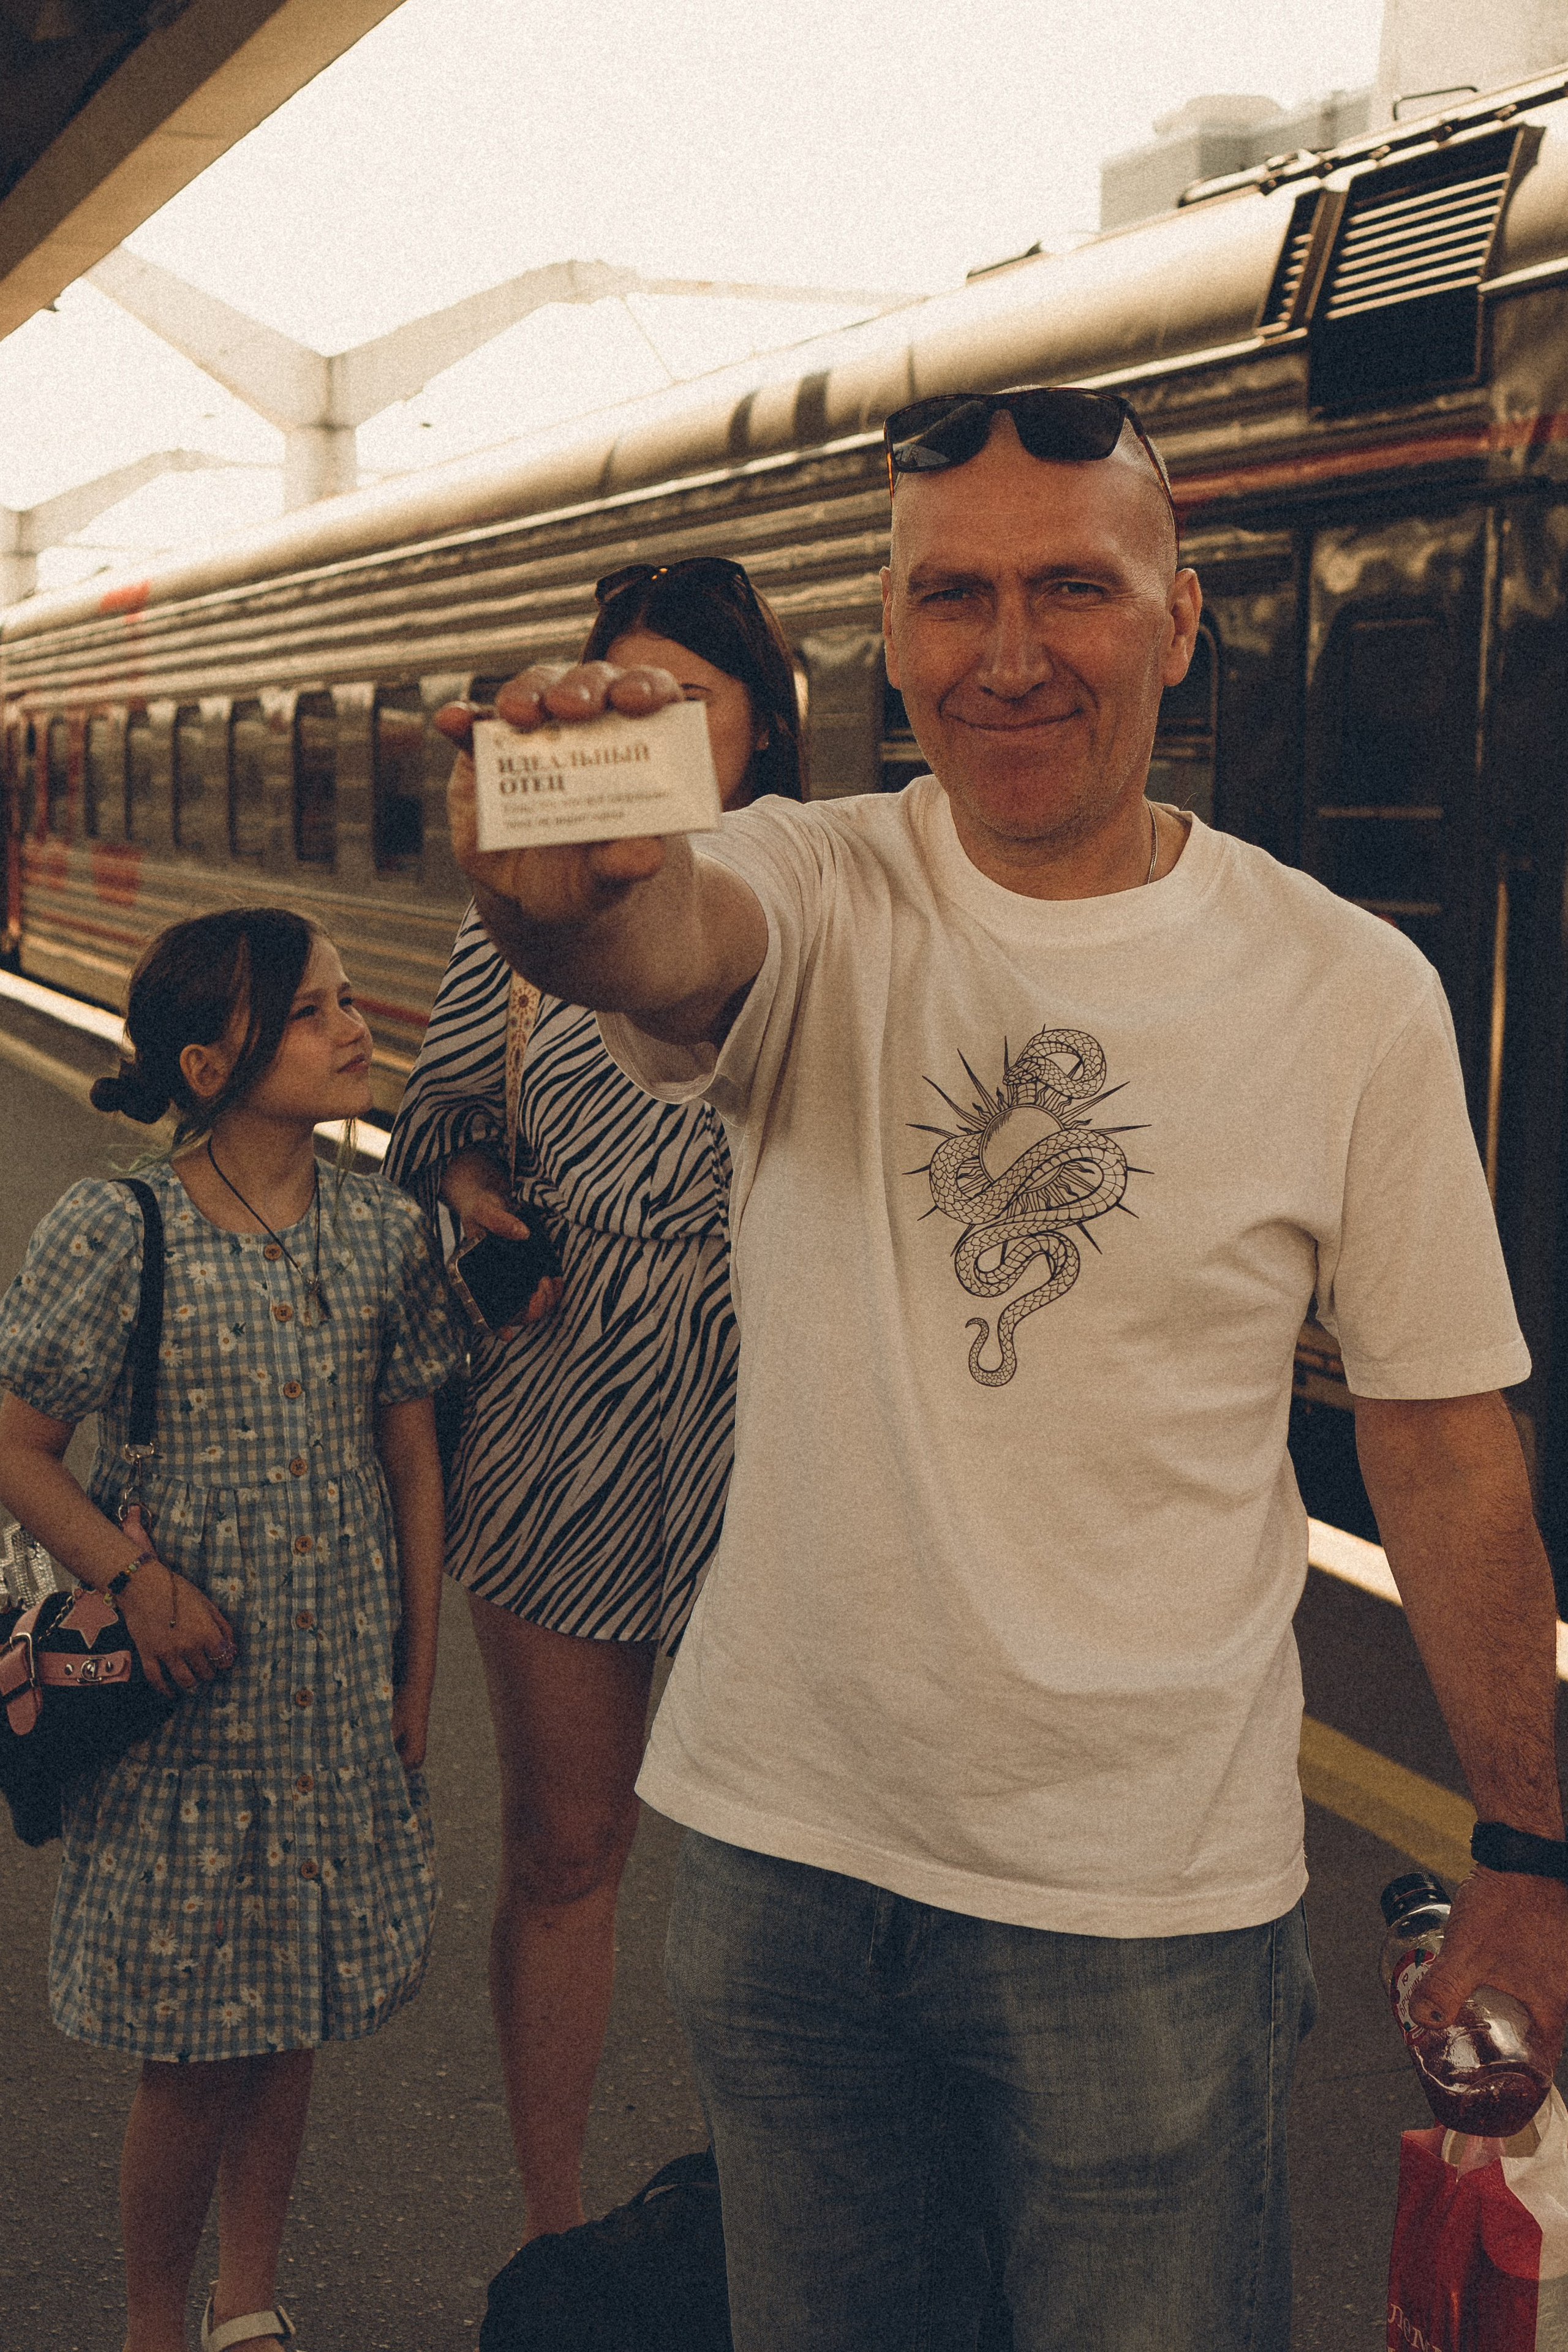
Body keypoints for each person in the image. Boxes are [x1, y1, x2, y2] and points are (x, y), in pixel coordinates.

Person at [439, 385, 1568, 2351]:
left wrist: (1530, 1849)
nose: (1013, 652)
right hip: (789, 1872)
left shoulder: (1347, 992)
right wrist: (568, 904)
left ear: (1184, 616)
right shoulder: (815, 878)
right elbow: (666, 949)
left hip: (1142, 1904)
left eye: (1075, 589)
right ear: (891, 636)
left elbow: (1442, 1445)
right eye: (954, 598)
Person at [382, 555, 802, 2240]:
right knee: (569, 1852)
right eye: (619, 691)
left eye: (686, 696)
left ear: (759, 724)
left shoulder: (832, 896)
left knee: (784, 1873)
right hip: (567, 1412)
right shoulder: (529, 913)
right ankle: (559, 2239)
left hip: (787, 1400)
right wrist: (482, 1196)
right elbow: (444, 1119)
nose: (650, 722)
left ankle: (775, 2229)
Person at [0, 908, 461, 2352]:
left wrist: (416, 1680)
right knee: (193, 2039)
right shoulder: (118, 1227)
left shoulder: (383, 1233)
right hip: (182, 1700)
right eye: (312, 1011)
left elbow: (410, 1464)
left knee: (291, 2005)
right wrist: (132, 1576)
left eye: (344, 1001)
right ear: (209, 1062)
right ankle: (153, 2320)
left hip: (331, 1676)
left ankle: (245, 2299)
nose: (351, 1026)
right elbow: (15, 1444)